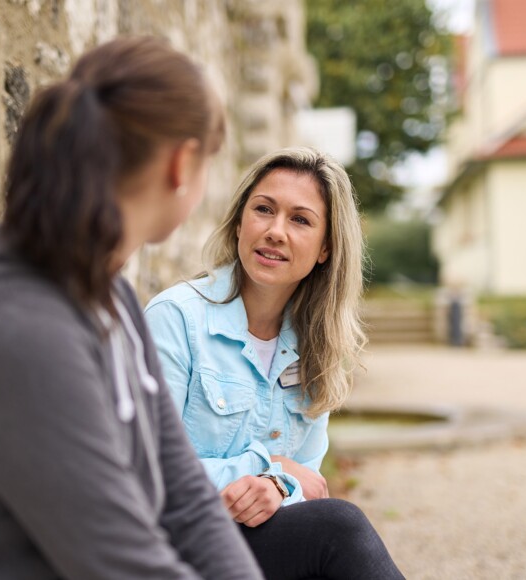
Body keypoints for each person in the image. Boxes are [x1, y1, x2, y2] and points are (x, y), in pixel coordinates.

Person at [0, 37, 264, 579]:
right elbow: (121, 565)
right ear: (181, 164)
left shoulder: (113, 299)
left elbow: (189, 503)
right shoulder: (13, 331)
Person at [145, 147, 405, 580]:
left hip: (249, 547)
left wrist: (276, 485)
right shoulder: (176, 319)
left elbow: (308, 485)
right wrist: (269, 471)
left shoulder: (317, 345)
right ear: (240, 221)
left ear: (325, 248)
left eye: (300, 219)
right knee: (340, 528)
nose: (275, 231)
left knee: (333, 530)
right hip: (170, 546)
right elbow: (145, 469)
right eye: (263, 210)